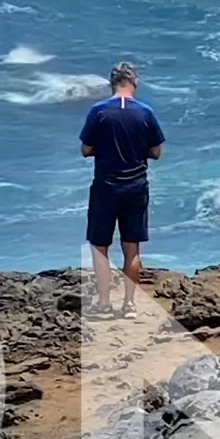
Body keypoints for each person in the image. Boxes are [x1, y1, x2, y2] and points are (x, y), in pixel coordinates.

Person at [77, 62, 165, 317]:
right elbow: (157, 151)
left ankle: (104, 303)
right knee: (132, 247)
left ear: (111, 82)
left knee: (100, 246)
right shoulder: (145, 112)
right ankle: (129, 304)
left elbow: (85, 149)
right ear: (134, 82)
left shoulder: (99, 111)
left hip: (106, 186)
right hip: (136, 187)